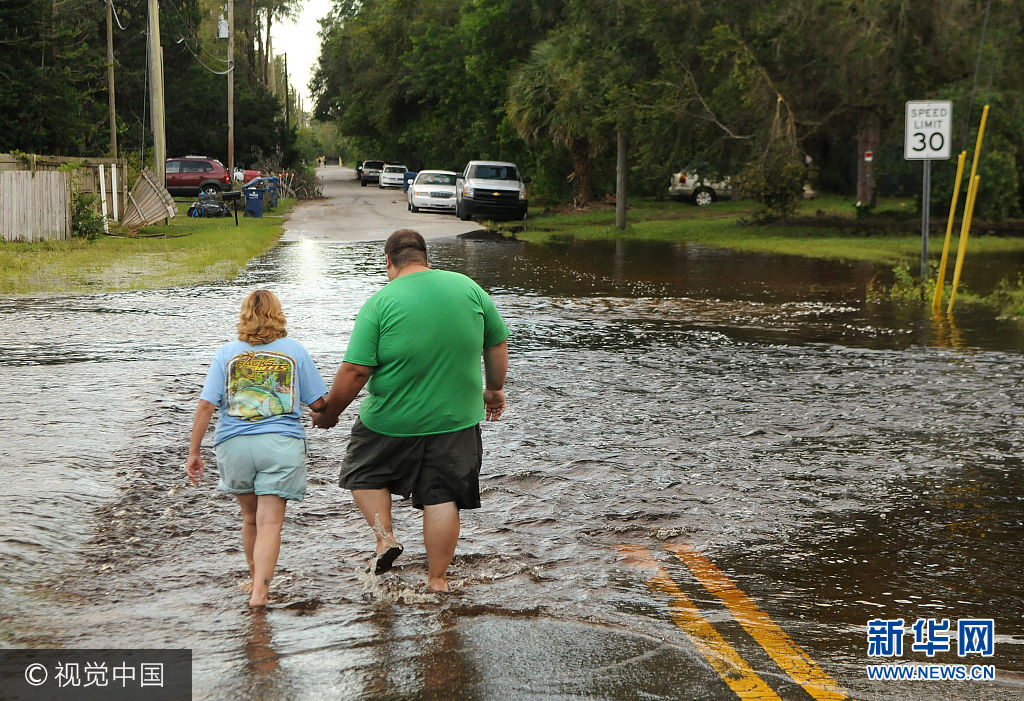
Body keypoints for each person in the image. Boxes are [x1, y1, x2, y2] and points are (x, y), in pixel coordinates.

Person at [312, 229, 509, 593]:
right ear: (425, 258)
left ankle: (385, 538)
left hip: (390, 420)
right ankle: (438, 581)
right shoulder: (469, 288)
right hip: (455, 421)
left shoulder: (380, 302)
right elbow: (496, 343)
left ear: (388, 262)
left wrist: (330, 413)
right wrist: (494, 391)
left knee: (363, 472)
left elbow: (355, 371)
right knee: (442, 496)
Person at [186, 289, 328, 607]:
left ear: (245, 315)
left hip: (234, 447)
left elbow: (207, 404)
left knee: (249, 518)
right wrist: (323, 414)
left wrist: (194, 452)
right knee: (270, 523)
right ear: (278, 314)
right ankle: (260, 594)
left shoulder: (226, 353)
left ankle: (253, 582)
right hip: (280, 445)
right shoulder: (294, 351)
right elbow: (318, 401)